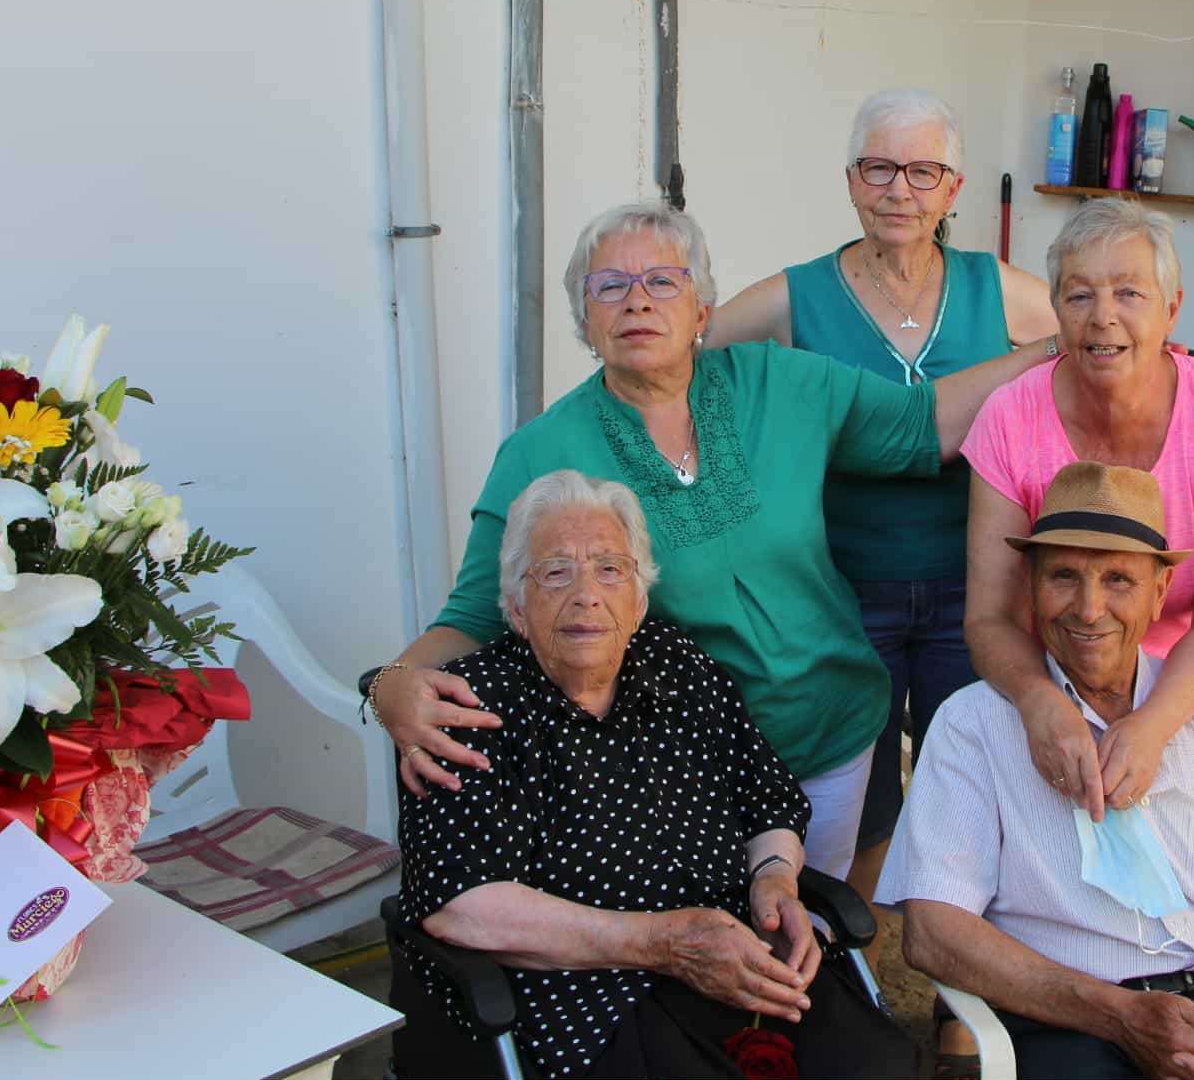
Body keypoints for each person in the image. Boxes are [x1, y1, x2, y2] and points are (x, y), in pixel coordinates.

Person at [367, 201, 1056, 878]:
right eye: (610, 285)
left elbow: (921, 422)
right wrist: (392, 685)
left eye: (663, 280)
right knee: (712, 933)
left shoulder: (781, 382)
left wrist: (1061, 346)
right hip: (680, 766)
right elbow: (473, 617)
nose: (638, 300)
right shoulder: (539, 452)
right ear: (585, 318)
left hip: (834, 733)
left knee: (813, 918)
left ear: (701, 311)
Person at [393, 470, 911, 1080]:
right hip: (585, 998)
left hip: (733, 954)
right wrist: (663, 942)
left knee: (877, 1065)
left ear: (638, 602)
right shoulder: (470, 705)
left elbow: (767, 797)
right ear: (516, 608)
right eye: (556, 572)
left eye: (610, 569)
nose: (587, 594)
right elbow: (459, 904)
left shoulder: (679, 666)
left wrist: (774, 880)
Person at [877, 462, 1194, 1080]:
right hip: (1074, 1025)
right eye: (1064, 576)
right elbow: (933, 931)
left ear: (1160, 592)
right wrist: (1118, 1015)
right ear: (1030, 584)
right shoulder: (974, 725)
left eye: (1119, 579)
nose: (1089, 608)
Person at [711, 88, 1058, 897]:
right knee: (857, 806)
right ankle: (851, 950)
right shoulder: (796, 296)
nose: (900, 189)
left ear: (953, 188)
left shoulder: (998, 289)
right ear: (850, 180)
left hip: (976, 588)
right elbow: (687, 359)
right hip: (843, 591)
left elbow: (1095, 338)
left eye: (923, 171)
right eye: (879, 168)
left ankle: (962, 967)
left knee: (976, 786)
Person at [961, 195, 1194, 825]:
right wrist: (1040, 701)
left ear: (1172, 308)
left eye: (1129, 293)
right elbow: (991, 616)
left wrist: (1152, 724)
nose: (1103, 317)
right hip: (1062, 677)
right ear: (1056, 310)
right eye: (1080, 295)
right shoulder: (1008, 417)